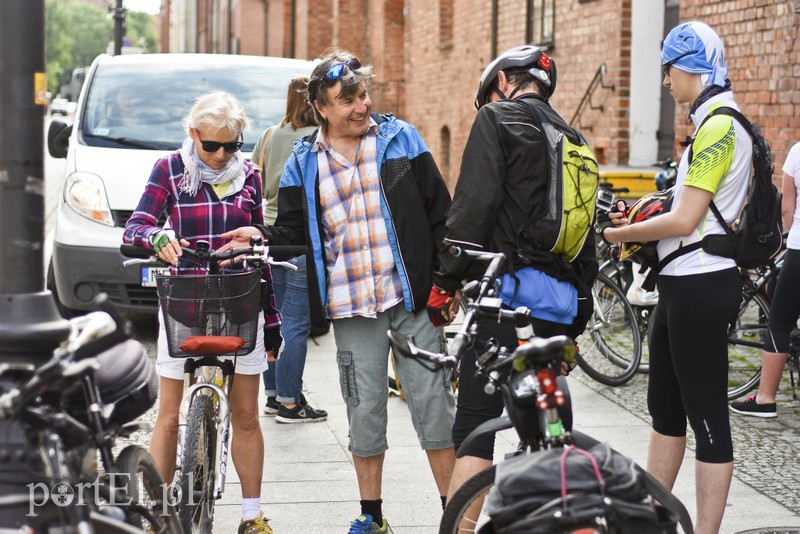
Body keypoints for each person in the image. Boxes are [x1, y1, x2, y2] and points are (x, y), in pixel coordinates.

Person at [218, 49, 456, 534]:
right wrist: (257, 236)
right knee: (364, 410)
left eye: (363, 94)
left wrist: (446, 283)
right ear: (321, 108)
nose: (360, 106)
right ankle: (372, 515)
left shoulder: (399, 138)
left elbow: (440, 213)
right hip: (351, 307)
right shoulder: (305, 161)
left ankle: (454, 515)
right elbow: (290, 230)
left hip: (410, 299)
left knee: (433, 405)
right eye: (346, 100)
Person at [425, 44, 598, 505]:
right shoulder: (575, 139)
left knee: (476, 426)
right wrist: (575, 325)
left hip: (506, 298)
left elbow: (472, 208)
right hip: (559, 306)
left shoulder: (496, 119)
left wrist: (445, 282)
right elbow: (585, 235)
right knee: (546, 422)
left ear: (503, 83)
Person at [601, 22, 749, 534]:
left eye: (668, 69)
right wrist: (638, 219)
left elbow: (686, 222)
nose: (665, 81)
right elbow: (685, 208)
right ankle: (651, 520)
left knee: (707, 417)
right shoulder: (707, 121)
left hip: (703, 285)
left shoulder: (720, 127)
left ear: (691, 68)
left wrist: (620, 236)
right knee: (664, 408)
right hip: (681, 283)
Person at [123, 91, 279, 534]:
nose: (222, 155)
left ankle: (252, 516)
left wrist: (255, 237)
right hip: (184, 301)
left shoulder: (249, 174)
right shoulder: (169, 170)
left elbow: (263, 237)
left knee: (247, 414)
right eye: (212, 145)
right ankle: (157, 514)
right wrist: (155, 238)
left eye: (233, 146)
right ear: (193, 135)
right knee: (169, 415)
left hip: (239, 300)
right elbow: (136, 225)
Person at [250, 76, 328, 423]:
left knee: (272, 316)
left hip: (267, 235)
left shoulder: (269, 136)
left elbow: (254, 180)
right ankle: (290, 402)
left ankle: (271, 395)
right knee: (295, 322)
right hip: (298, 236)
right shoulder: (316, 140)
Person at [730, 141, 800, 418]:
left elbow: (787, 209)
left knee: (780, 321)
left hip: (799, 249)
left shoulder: (797, 151)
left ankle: (765, 398)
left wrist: (786, 237)